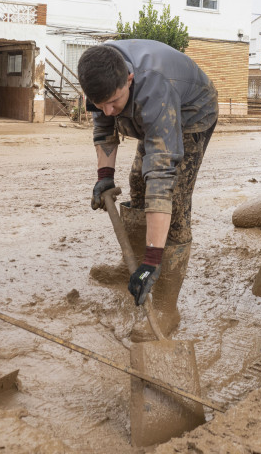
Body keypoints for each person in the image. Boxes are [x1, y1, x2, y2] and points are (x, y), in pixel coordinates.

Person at [78, 39, 217, 341]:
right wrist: (105, 175)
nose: (107, 110)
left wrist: (154, 259)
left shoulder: (153, 87)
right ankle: (132, 263)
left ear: (128, 80)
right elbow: (104, 127)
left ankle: (167, 307)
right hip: (149, 111)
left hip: (192, 112)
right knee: (137, 183)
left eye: (114, 102)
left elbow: (162, 178)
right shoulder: (101, 75)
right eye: (99, 103)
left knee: (174, 202)